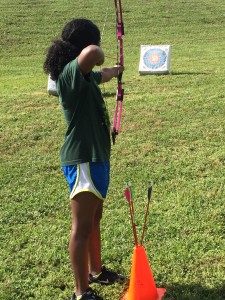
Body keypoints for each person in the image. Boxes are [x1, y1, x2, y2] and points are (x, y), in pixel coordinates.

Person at [44, 18, 125, 300]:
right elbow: (92, 54)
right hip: (82, 159)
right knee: (81, 227)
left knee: (94, 219)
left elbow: (98, 73)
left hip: (95, 157)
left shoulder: (83, 76)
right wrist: (99, 51)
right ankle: (81, 292)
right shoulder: (69, 74)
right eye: (97, 39)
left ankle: (96, 271)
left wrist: (114, 71)